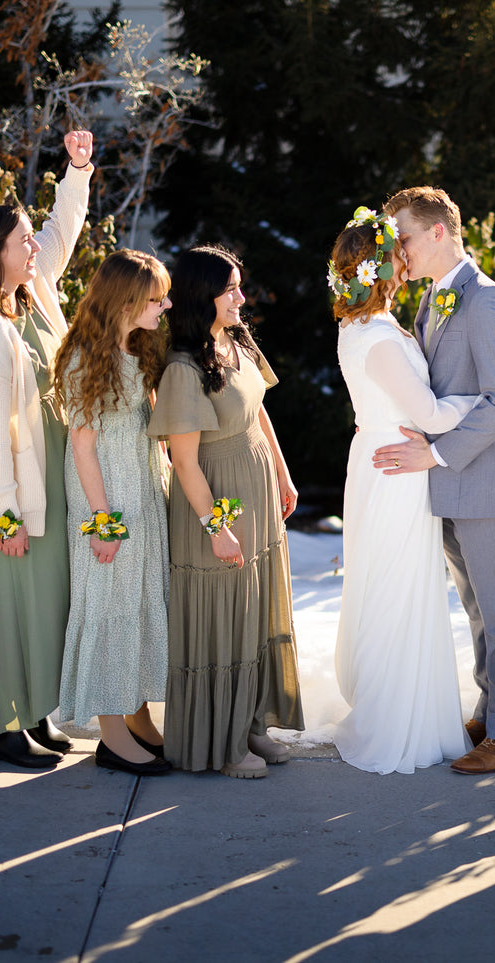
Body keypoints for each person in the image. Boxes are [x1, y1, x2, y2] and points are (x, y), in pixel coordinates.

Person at [371, 187, 495, 776]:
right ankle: (492, 714)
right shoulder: (436, 297)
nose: (398, 250)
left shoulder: (486, 300)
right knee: (477, 608)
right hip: (447, 483)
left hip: (481, 479)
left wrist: (436, 456)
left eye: (404, 237)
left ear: (439, 232)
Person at [0, 131, 94, 769]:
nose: (35, 246)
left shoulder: (31, 293)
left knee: (38, 602)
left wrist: (78, 170)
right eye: (21, 241)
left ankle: (33, 710)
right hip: (3, 488)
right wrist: (2, 515)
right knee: (5, 607)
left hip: (43, 477)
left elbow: (61, 231)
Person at [330, 207, 482, 774]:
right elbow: (432, 413)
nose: (407, 256)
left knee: (389, 584)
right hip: (397, 471)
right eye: (398, 251)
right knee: (399, 590)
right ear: (382, 267)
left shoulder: (362, 327)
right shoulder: (382, 338)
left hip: (380, 461)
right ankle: (398, 720)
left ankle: (401, 705)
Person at [147, 245, 304, 779]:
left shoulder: (237, 340)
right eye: (230, 289)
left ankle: (251, 722)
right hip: (215, 503)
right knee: (224, 619)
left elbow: (259, 410)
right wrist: (217, 528)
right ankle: (222, 741)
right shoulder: (182, 369)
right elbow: (184, 462)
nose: (241, 297)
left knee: (255, 611)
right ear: (202, 296)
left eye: (240, 286)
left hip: (257, 490)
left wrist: (281, 474)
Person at [52, 250, 173, 777]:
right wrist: (103, 521)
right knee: (109, 606)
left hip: (142, 488)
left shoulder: (137, 346)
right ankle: (110, 733)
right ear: (125, 300)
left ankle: (138, 713)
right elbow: (82, 446)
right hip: (107, 498)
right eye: (155, 297)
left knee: (140, 601)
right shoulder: (85, 355)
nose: (164, 305)